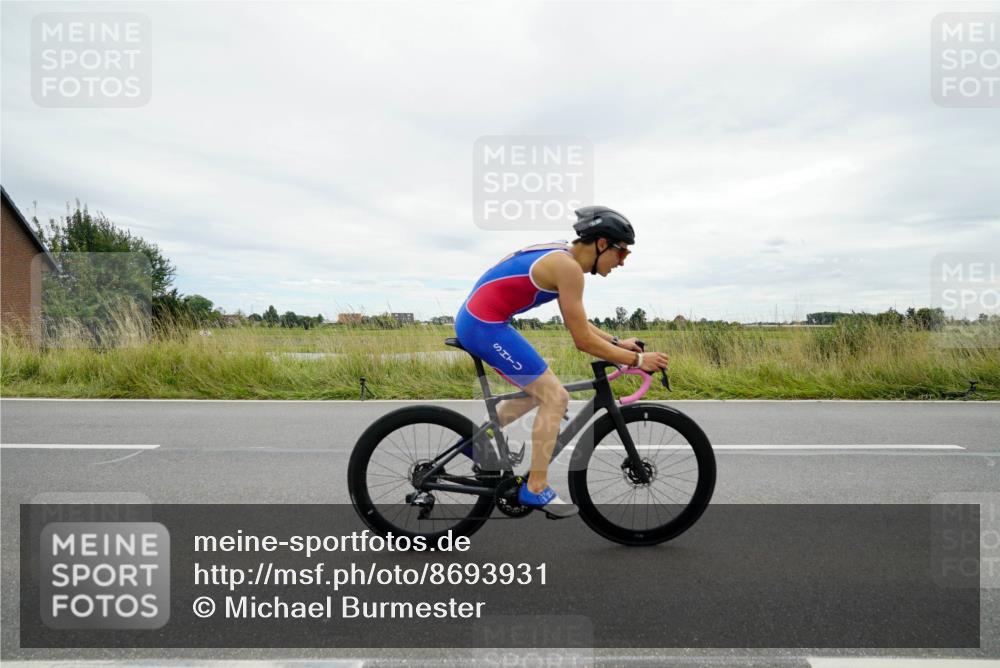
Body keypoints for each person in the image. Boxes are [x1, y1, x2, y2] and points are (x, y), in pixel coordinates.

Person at [454, 206, 670, 518]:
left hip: (484, 320)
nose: (622, 262)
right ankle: (536, 487)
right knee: (555, 397)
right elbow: (582, 341)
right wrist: (636, 359)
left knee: (538, 391)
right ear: (601, 244)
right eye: (621, 252)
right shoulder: (567, 268)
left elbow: (578, 321)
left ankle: (475, 442)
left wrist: (616, 343)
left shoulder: (564, 259)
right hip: (483, 326)